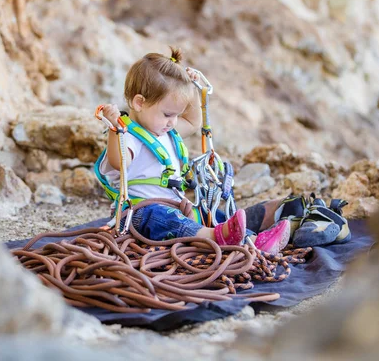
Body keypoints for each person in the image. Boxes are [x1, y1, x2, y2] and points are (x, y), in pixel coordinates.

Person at [97, 47, 293, 253]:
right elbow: (120, 162)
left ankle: (252, 241)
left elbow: (192, 121)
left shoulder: (166, 132)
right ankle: (213, 238)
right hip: (139, 214)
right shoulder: (128, 137)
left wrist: (192, 88)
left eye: (176, 115)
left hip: (178, 207)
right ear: (139, 103)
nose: (173, 122)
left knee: (210, 215)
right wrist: (114, 129)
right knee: (162, 218)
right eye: (167, 114)